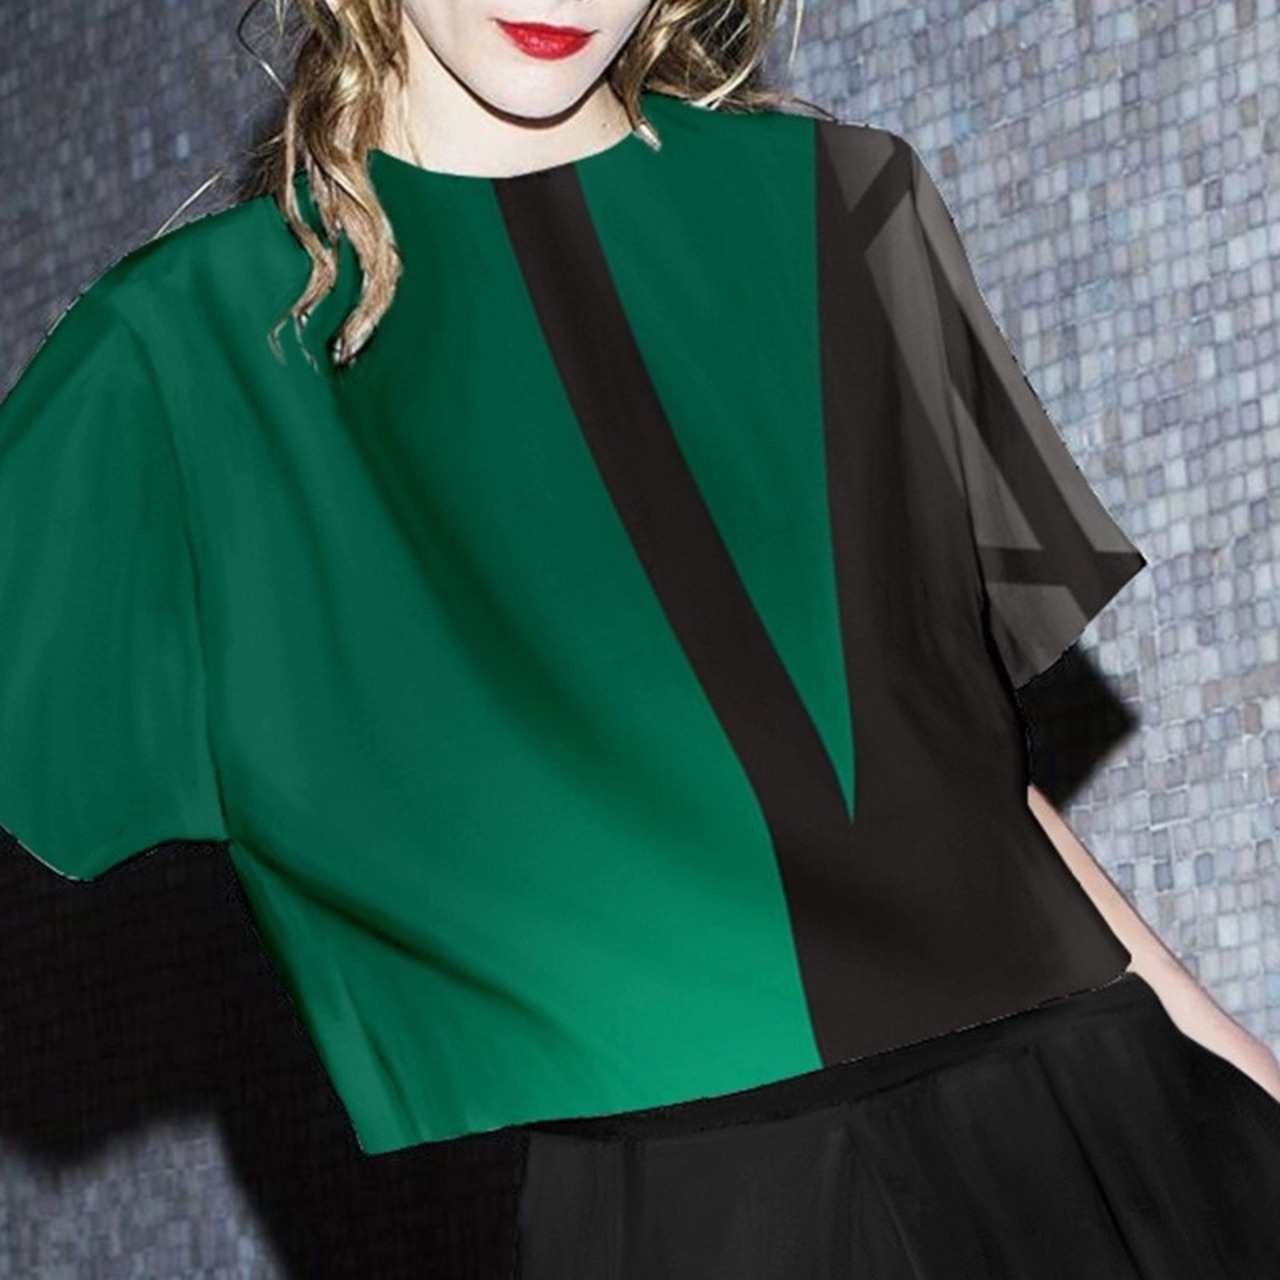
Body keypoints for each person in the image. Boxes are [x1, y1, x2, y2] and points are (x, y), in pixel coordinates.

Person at [3, 0, 1280, 1274]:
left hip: (1090, 1133)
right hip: (692, 1211)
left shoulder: (822, 204)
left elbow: (949, 780)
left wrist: (1238, 1067)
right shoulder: (185, 352)